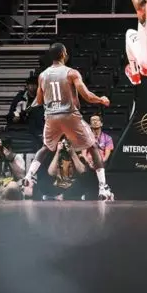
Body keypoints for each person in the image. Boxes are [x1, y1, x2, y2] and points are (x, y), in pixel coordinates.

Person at [23, 43, 114, 200]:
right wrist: (101, 99)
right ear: (64, 54)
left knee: (46, 148)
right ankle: (103, 187)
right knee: (92, 146)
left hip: (51, 116)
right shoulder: (71, 73)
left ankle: (29, 175)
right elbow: (86, 95)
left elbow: (39, 99)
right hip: (69, 115)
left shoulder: (43, 75)